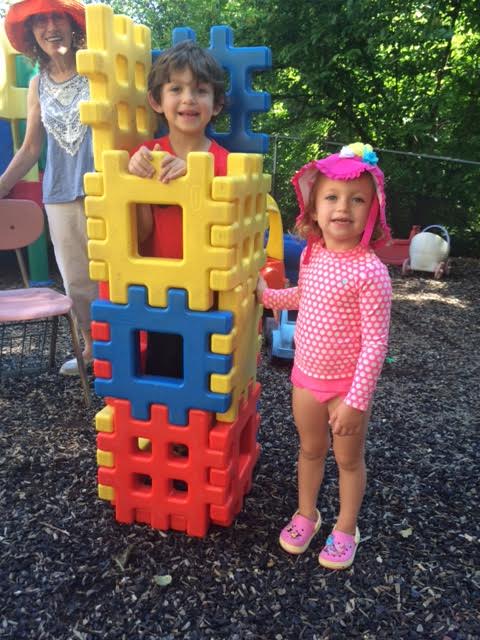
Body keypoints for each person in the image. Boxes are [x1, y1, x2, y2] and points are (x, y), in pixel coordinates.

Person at [257, 142, 392, 570]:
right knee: (310, 451)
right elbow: (305, 296)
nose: (343, 207)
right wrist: (267, 296)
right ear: (314, 208)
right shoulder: (312, 255)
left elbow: (376, 343)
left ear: (372, 211)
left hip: (346, 388)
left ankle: (347, 527)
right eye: (331, 197)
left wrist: (356, 400)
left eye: (357, 200)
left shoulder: (371, 271)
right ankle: (307, 514)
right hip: (305, 378)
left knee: (348, 460)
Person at [0, 0, 96, 376]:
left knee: (116, 271)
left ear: (73, 25)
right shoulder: (37, 84)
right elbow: (30, 148)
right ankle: (92, 348)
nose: (50, 27)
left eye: (58, 17)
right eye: (40, 21)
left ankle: (127, 347)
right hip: (59, 192)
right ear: (31, 34)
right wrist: (2, 186)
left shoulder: (96, 69)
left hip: (104, 187)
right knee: (76, 277)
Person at [128, 40, 229, 378]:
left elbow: (228, 235)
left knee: (209, 376)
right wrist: (136, 183)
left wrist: (196, 177)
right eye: (176, 89)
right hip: (163, 291)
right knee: (164, 372)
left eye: (200, 90)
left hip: (212, 294)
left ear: (216, 104)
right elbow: (141, 233)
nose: (188, 99)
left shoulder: (226, 164)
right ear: (157, 101)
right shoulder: (147, 156)